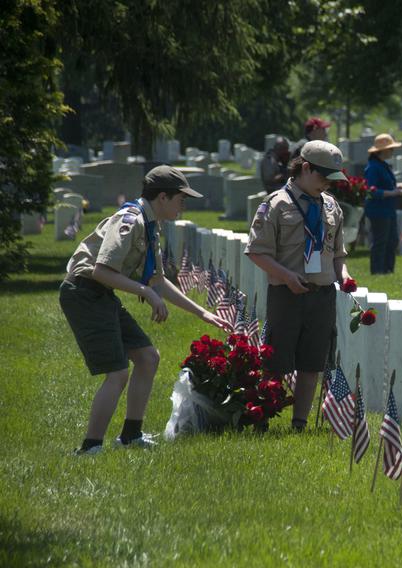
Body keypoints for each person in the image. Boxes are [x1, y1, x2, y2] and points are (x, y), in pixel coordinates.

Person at [60, 166, 233, 455]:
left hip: (99, 293)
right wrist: (144, 292)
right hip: (84, 293)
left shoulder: (151, 224)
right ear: (163, 197)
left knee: (148, 357)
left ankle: (130, 436)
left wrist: (202, 313)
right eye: (181, 199)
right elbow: (101, 271)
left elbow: (158, 281)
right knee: (117, 373)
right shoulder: (130, 221)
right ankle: (90, 448)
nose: (184, 205)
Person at [245, 140, 353, 432]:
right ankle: (262, 419)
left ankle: (299, 425)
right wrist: (286, 276)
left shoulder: (331, 206)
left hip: (322, 295)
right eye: (323, 178)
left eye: (333, 180)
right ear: (305, 168)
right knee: (276, 360)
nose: (328, 186)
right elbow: (257, 251)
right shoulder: (276, 204)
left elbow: (338, 253)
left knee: (312, 362)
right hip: (286, 293)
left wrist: (343, 276)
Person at [363, 133, 402, 274]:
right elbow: (371, 191)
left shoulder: (383, 165)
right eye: (390, 148)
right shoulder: (373, 167)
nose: (392, 151)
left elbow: (386, 185)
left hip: (388, 209)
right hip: (378, 210)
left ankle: (388, 270)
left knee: (392, 240)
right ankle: (377, 271)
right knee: (380, 242)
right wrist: (394, 193)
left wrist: (399, 186)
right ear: (381, 151)